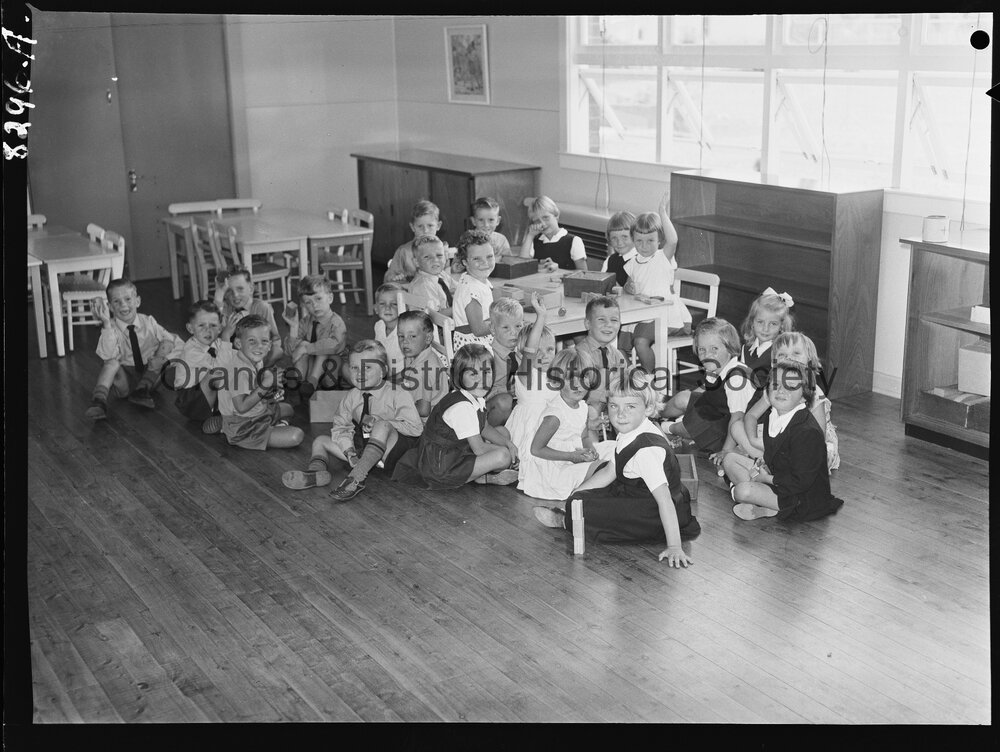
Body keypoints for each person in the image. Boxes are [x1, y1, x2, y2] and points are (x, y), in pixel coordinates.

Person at [533, 367, 700, 567]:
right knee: (590, 480)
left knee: (586, 508)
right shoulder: (631, 429)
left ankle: (566, 521)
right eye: (614, 406)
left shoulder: (646, 452)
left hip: (652, 511)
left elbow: (664, 500)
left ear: (647, 408)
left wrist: (674, 546)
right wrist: (577, 492)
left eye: (630, 406)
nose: (620, 414)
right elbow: (611, 470)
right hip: (637, 491)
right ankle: (573, 509)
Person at [282, 340, 422, 501]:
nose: (359, 373)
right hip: (367, 452)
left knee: (382, 425)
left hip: (394, 453)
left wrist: (383, 422)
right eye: (354, 368)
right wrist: (349, 451)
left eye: (367, 367)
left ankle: (356, 478)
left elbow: (416, 429)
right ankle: (316, 473)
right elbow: (341, 426)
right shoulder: (352, 396)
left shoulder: (398, 393)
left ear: (383, 370)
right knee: (320, 441)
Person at [722, 361, 845, 521]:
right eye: (775, 384)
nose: (780, 390)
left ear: (803, 397)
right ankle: (764, 504)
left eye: (791, 386)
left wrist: (765, 478)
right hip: (778, 479)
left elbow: (801, 481)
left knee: (742, 491)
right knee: (730, 459)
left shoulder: (807, 432)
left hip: (801, 498)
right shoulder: (775, 415)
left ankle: (753, 498)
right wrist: (763, 466)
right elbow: (777, 455)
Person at [391, 344, 520, 489]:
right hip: (440, 467)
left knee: (503, 433)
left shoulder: (475, 396)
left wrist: (508, 444)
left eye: (487, 371)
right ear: (460, 376)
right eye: (473, 374)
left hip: (454, 451)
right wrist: (509, 451)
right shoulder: (463, 407)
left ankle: (477, 474)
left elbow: (484, 427)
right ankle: (477, 477)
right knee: (504, 456)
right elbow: (479, 449)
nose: (482, 379)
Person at [737, 331, 840, 472]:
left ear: (810, 360)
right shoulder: (774, 388)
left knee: (813, 459)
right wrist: (753, 439)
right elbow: (751, 415)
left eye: (796, 353)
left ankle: (766, 461)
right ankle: (765, 459)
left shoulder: (814, 393)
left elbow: (817, 438)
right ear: (774, 363)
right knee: (737, 426)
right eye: (782, 355)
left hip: (805, 443)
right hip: (777, 437)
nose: (790, 358)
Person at [658, 318, 755, 465]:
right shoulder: (715, 366)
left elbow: (738, 420)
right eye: (702, 349)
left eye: (714, 349)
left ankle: (667, 427)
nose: (706, 354)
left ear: (730, 348)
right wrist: (688, 401)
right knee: (682, 397)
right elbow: (707, 390)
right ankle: (655, 413)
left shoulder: (737, 379)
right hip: (717, 411)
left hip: (731, 429)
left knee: (691, 427)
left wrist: (726, 450)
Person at [84, 278, 182, 420]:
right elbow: (106, 354)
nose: (123, 305)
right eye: (117, 301)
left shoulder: (149, 322)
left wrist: (162, 358)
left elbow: (175, 342)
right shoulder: (110, 328)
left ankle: (142, 390)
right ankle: (99, 401)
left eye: (128, 299)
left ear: (137, 301)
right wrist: (106, 324)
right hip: (125, 381)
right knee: (111, 363)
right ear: (110, 307)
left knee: (167, 341)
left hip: (150, 377)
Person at [520, 347, 603, 500]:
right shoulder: (555, 414)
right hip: (555, 470)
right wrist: (571, 456)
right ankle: (582, 493)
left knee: (614, 450)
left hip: (573, 458)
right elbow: (536, 449)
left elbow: (584, 436)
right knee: (603, 469)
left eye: (583, 378)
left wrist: (591, 451)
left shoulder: (583, 407)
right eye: (570, 379)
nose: (577, 385)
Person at [214, 315, 304, 451]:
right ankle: (230, 427)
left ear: (269, 346)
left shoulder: (255, 359)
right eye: (252, 341)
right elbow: (242, 407)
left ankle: (276, 426)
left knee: (289, 409)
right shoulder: (239, 371)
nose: (259, 346)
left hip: (260, 411)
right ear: (238, 344)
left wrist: (271, 388)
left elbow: (256, 388)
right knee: (296, 436)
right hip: (243, 426)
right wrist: (267, 384)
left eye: (264, 341)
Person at [622, 199, 691, 372]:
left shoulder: (662, 257)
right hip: (642, 314)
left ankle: (649, 377)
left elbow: (673, 241)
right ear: (633, 240)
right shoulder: (632, 262)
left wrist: (662, 213)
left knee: (640, 342)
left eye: (650, 240)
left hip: (665, 315)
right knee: (619, 338)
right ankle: (629, 375)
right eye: (639, 241)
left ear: (659, 240)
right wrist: (627, 288)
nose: (644, 246)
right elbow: (628, 287)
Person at [484, 293, 549, 428]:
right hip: (490, 409)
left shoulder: (520, 353)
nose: (513, 332)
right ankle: (487, 436)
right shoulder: (487, 356)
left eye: (518, 326)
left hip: (519, 406)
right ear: (492, 329)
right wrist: (506, 390)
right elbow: (478, 391)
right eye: (506, 327)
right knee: (504, 401)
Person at [167, 299, 231, 434]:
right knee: (217, 374)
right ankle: (227, 415)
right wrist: (226, 338)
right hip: (189, 401)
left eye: (213, 325)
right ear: (190, 328)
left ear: (220, 327)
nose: (208, 330)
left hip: (207, 395)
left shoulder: (217, 343)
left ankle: (229, 411)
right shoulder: (191, 350)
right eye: (201, 325)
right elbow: (221, 368)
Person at [281, 275, 349, 399]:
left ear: (330, 298)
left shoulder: (336, 323)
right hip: (311, 366)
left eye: (318, 299)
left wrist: (307, 348)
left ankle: (312, 383)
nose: (314, 305)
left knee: (321, 347)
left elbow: (335, 345)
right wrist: (294, 328)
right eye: (308, 302)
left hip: (333, 368)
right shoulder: (305, 321)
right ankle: (301, 386)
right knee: (302, 345)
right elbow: (290, 352)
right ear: (304, 305)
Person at [574, 296, 629, 438]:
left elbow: (624, 384)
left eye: (614, 320)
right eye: (601, 320)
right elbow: (574, 392)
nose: (608, 325)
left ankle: (627, 447)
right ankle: (594, 452)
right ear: (587, 324)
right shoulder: (579, 354)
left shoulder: (617, 355)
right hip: (583, 409)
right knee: (592, 409)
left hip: (609, 407)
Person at [214, 267, 284, 367]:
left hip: (259, 353)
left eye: (240, 289)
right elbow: (218, 339)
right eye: (229, 291)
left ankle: (257, 371)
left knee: (277, 351)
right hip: (235, 354)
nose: (235, 295)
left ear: (250, 289)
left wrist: (266, 348)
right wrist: (218, 298)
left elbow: (275, 337)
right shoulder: (226, 309)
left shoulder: (262, 307)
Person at [396, 309, 450, 424]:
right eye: (401, 336)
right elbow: (404, 374)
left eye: (412, 336)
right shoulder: (417, 353)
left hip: (423, 424)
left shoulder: (423, 371)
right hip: (413, 405)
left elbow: (423, 410)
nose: (405, 342)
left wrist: (395, 408)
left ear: (428, 338)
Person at [738, 286, 795, 394]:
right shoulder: (746, 349)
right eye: (760, 322)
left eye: (773, 324)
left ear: (781, 327)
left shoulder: (779, 353)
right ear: (752, 322)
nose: (765, 329)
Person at [451, 229, 497, 348]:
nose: (485, 263)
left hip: (481, 340)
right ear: (465, 262)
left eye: (489, 256)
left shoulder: (475, 280)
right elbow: (479, 330)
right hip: (473, 349)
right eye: (477, 259)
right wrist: (504, 321)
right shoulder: (471, 290)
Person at [519, 195, 588, 271]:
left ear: (556, 216)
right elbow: (521, 267)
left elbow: (583, 273)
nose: (543, 224)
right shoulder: (534, 242)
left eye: (546, 217)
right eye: (537, 221)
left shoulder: (574, 241)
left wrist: (558, 270)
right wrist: (530, 236)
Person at [384, 199, 443, 284]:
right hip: (412, 293)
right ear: (412, 227)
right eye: (420, 226)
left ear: (438, 226)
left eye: (430, 226)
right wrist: (395, 278)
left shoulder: (442, 249)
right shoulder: (403, 251)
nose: (425, 231)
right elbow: (388, 278)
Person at [405, 234, 455, 315]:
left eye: (439, 255)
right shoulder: (423, 285)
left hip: (446, 321)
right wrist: (459, 308)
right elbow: (434, 316)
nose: (435, 260)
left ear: (445, 257)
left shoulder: (441, 275)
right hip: (432, 325)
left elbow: (457, 288)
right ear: (416, 262)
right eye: (427, 257)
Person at [372, 282, 406, 381]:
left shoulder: (404, 331)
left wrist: (391, 381)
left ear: (403, 307)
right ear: (376, 309)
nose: (388, 308)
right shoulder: (379, 326)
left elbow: (413, 366)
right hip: (386, 375)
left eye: (394, 304)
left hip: (404, 378)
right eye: (382, 304)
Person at [601, 210, 637, 288]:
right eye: (614, 238)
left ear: (635, 236)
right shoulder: (609, 260)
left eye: (624, 237)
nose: (619, 242)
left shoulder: (641, 260)